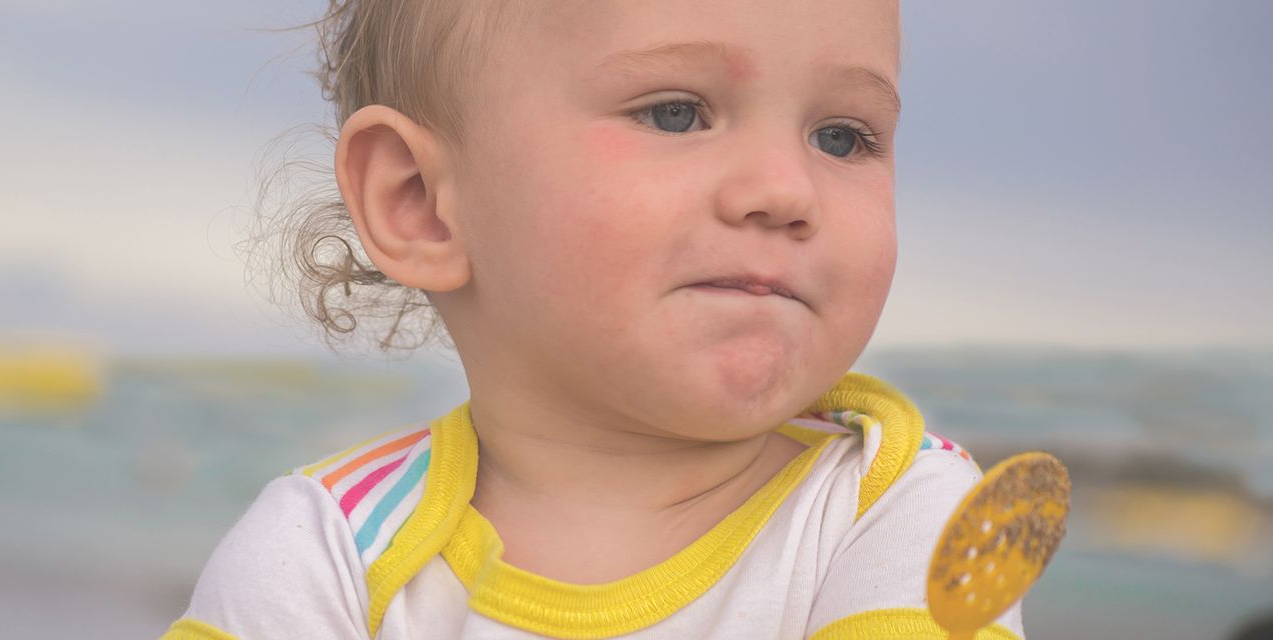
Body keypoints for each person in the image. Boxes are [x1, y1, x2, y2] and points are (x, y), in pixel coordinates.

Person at [162, 0, 1023, 637]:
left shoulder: (908, 511)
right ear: (420, 202)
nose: (785, 191)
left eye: (842, 137)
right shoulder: (323, 557)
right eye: (675, 112)